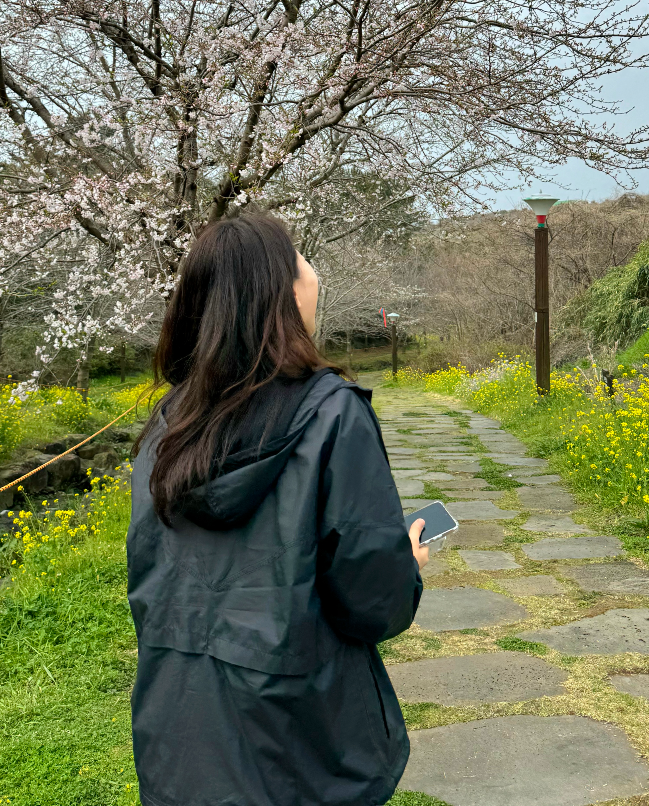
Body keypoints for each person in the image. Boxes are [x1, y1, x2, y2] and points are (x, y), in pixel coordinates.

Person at [128, 211, 429, 806]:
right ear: (285, 294)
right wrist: (406, 565)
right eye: (303, 264)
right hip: (301, 742)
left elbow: (151, 576)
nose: (314, 276)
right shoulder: (332, 414)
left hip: (180, 735)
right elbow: (372, 601)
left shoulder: (169, 424)